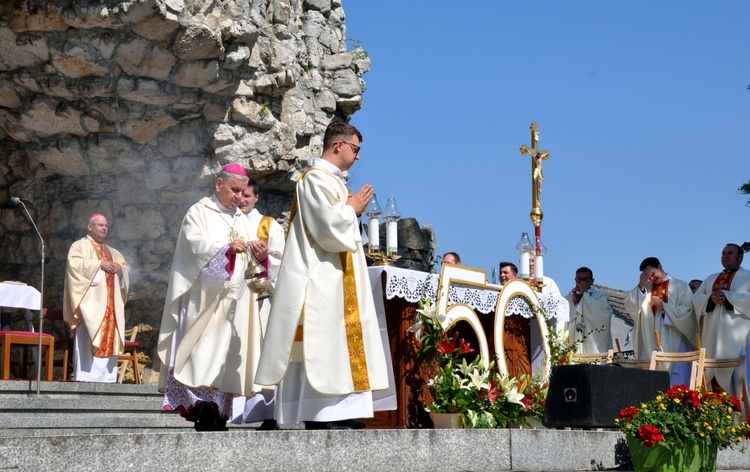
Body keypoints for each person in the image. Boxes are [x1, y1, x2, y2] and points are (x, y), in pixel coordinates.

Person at [254, 121, 389, 430]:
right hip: (321, 278)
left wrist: (351, 210)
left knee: (338, 346)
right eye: (355, 150)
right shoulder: (313, 180)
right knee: (322, 346)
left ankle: (338, 411)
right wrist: (351, 209)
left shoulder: (333, 182)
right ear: (337, 145)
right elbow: (327, 229)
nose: (357, 158)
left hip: (339, 277)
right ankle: (319, 414)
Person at [157, 164, 256, 431]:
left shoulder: (241, 219)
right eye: (235, 190)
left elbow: (250, 258)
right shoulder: (199, 212)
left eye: (243, 191)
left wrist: (258, 251)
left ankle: (217, 411)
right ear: (219, 184)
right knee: (201, 352)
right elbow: (194, 247)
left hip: (233, 302)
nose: (239, 197)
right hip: (203, 299)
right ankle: (203, 406)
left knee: (224, 355)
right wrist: (226, 249)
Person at [230, 179, 285, 429]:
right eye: (239, 194)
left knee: (260, 349)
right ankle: (227, 409)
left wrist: (265, 258)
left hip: (259, 297)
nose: (242, 199)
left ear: (257, 198)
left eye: (248, 196)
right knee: (233, 349)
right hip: (232, 297)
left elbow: (282, 260)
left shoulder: (269, 225)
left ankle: (265, 412)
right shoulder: (228, 221)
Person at [63, 214, 130, 382]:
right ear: (90, 227)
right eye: (100, 224)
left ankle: (107, 378)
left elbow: (126, 268)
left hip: (111, 305)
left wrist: (120, 269)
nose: (104, 228)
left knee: (110, 337)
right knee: (88, 338)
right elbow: (74, 266)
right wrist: (99, 264)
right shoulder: (79, 247)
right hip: (90, 305)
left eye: (106, 225)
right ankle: (86, 377)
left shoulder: (114, 252)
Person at [623, 257, 698, 386]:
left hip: (674, 339)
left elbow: (688, 312)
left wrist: (664, 306)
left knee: (676, 381)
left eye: (652, 274)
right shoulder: (645, 288)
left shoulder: (680, 286)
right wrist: (641, 285)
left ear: (660, 266)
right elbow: (631, 306)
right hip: (650, 341)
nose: (651, 278)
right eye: (647, 276)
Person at [693, 243, 750, 393]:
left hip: (739, 339)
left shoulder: (748, 277)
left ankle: (741, 414)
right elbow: (696, 299)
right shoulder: (711, 279)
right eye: (723, 253)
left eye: (730, 253)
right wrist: (710, 300)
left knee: (739, 378)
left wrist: (729, 298)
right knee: (711, 373)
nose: (725, 256)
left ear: (740, 257)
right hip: (712, 337)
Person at [564, 267, 614, 353]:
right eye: (579, 279)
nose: (581, 282)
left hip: (592, 347)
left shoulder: (600, 297)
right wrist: (575, 303)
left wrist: (585, 296)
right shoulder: (568, 298)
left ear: (592, 281)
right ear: (575, 280)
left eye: (585, 279)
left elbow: (603, 316)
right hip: (573, 342)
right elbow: (564, 319)